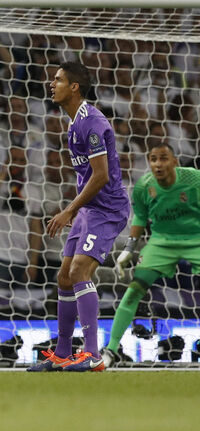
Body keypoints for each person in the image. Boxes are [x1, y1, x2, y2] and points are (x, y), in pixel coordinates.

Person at [29, 61, 130, 372]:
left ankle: (92, 354)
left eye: (58, 80)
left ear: (74, 87)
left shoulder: (93, 123)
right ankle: (62, 352)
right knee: (63, 277)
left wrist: (68, 210)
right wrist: (77, 209)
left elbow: (100, 176)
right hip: (89, 210)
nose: (52, 84)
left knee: (78, 272)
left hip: (108, 209)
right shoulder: (73, 122)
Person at [102, 143, 200, 368]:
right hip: (161, 243)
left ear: (174, 161)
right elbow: (139, 219)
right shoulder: (144, 186)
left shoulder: (194, 179)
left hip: (194, 239)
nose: (158, 164)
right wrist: (128, 249)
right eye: (153, 159)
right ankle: (110, 350)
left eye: (164, 158)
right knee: (133, 291)